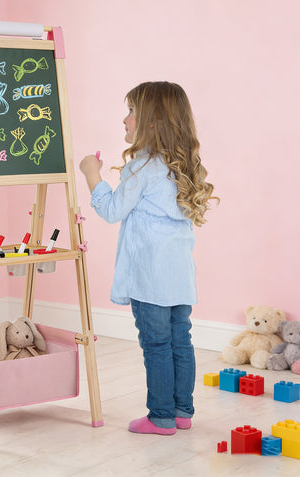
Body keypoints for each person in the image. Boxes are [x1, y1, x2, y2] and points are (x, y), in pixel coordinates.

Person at [79, 81, 218, 436]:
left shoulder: (142, 168)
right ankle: (182, 412)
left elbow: (112, 210)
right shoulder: (183, 166)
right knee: (180, 341)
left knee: (156, 345)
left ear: (152, 121)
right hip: (179, 277)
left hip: (149, 277)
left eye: (131, 112)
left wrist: (92, 174)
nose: (125, 120)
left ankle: (161, 417)